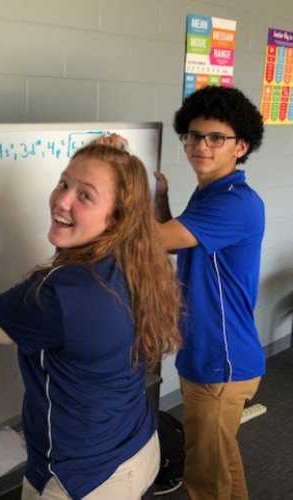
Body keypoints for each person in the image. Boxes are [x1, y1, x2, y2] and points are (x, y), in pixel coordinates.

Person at [0, 141, 182, 500]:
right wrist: (109, 166)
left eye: (85, 196)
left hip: (83, 479)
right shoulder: (137, 260)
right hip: (136, 444)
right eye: (63, 183)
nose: (62, 200)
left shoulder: (58, 295)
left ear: (118, 217)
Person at [154, 85, 265, 500]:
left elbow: (151, 241)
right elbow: (175, 240)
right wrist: (162, 204)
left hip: (221, 361)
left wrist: (120, 183)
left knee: (204, 478)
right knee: (220, 461)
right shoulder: (211, 193)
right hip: (212, 354)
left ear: (241, 147)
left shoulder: (234, 203)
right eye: (195, 135)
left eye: (216, 138)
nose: (202, 145)